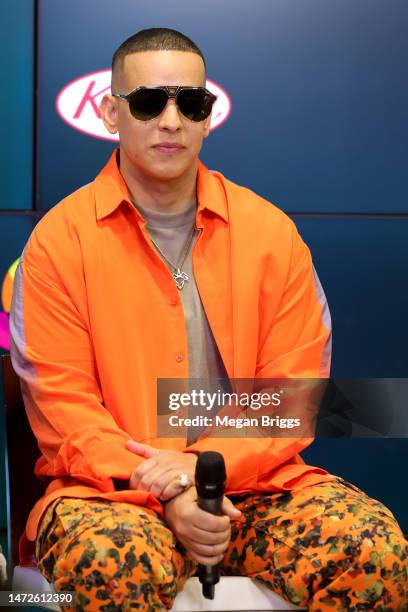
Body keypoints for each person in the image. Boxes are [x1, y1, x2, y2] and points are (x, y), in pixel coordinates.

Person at [9, 28, 407, 611]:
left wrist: (200, 468)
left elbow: (292, 396)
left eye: (189, 103)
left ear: (207, 116)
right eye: (148, 101)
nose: (170, 120)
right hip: (112, 495)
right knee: (111, 561)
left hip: (254, 488)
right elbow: (65, 410)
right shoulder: (59, 243)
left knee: (372, 552)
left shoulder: (271, 235)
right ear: (109, 112)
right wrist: (168, 486)